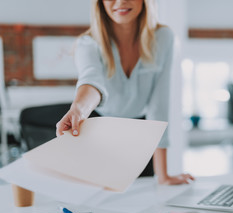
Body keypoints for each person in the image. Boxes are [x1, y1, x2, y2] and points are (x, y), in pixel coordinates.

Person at [56, 0, 194, 185]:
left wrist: (163, 176)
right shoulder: (87, 43)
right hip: (100, 131)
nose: (120, 2)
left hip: (141, 134)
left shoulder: (163, 37)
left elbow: (158, 105)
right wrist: (79, 110)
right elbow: (92, 81)